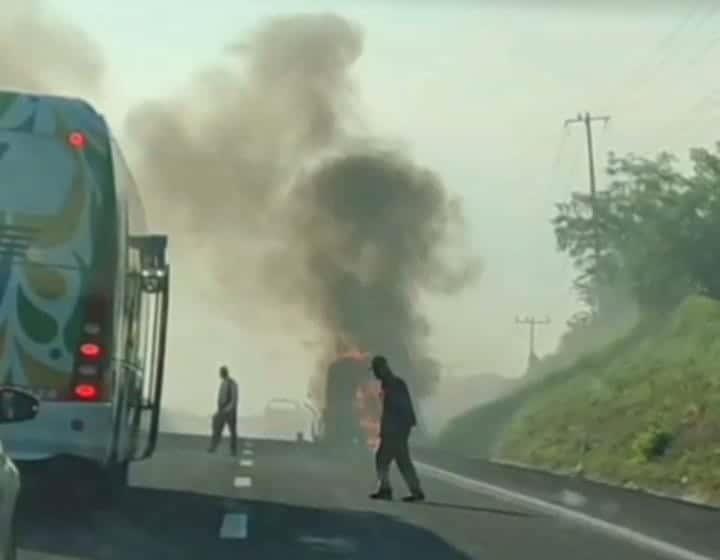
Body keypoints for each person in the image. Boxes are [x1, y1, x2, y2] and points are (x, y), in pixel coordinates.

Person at [369, 355, 425, 502]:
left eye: (375, 370)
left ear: (382, 368)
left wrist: (396, 429)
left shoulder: (393, 384)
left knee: (382, 459)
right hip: (395, 428)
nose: (374, 373)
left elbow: (400, 408)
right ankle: (415, 491)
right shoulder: (389, 384)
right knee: (402, 460)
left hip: (396, 429)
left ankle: (386, 489)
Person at [208, 365, 238, 455]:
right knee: (216, 428)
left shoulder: (232, 383)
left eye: (221, 372)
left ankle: (233, 450)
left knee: (232, 430)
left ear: (225, 372)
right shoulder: (223, 383)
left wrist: (227, 409)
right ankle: (213, 446)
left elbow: (234, 398)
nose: (220, 374)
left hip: (229, 411)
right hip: (222, 409)